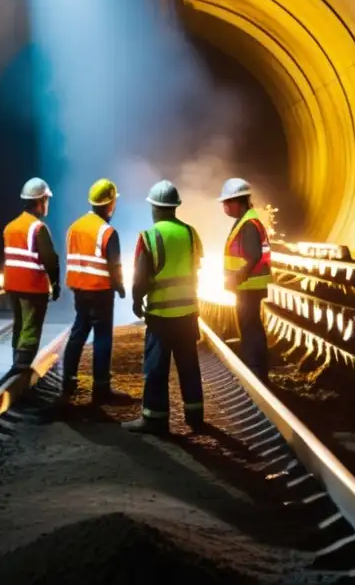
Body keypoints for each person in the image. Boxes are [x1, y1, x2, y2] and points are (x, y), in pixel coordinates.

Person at [123, 180, 205, 434]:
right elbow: (196, 268)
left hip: (160, 316)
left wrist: (137, 301)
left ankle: (155, 419)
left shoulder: (148, 237)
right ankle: (195, 416)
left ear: (155, 208)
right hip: (188, 313)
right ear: (175, 207)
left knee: (156, 369)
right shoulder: (191, 233)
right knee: (189, 366)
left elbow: (140, 278)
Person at [62, 178, 129, 402]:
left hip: (79, 290)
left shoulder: (74, 228)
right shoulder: (108, 232)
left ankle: (68, 382)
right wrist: (120, 287)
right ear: (110, 204)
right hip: (101, 291)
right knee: (102, 338)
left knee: (78, 333)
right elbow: (114, 265)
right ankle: (101, 389)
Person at [2, 177, 61, 375]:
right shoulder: (38, 228)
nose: (47, 205)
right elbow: (50, 259)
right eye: (46, 200)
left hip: (12, 285)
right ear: (40, 201)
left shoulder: (10, 227)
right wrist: (55, 282)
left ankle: (16, 361)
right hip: (32, 286)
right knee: (31, 325)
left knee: (19, 323)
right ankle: (22, 366)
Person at [219, 178, 272, 382]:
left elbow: (253, 255)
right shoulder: (245, 221)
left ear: (237, 202)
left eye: (226, 202)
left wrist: (235, 277)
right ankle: (256, 371)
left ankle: (255, 372)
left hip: (249, 286)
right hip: (247, 286)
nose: (224, 206)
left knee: (250, 329)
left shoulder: (248, 224)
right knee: (251, 327)